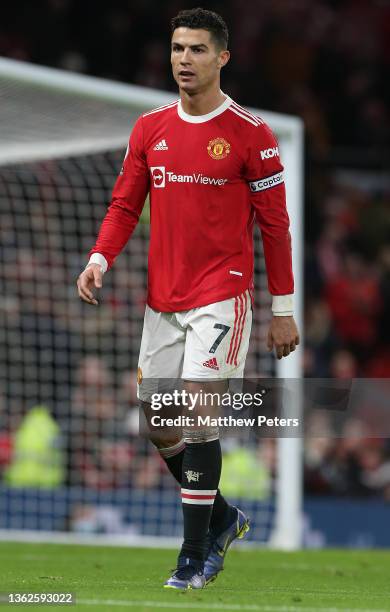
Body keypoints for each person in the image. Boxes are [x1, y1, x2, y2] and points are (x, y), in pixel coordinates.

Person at [77, 7, 299, 590]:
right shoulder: (149, 128)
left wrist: (283, 308)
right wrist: (100, 258)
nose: (184, 59)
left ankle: (194, 555)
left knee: (197, 410)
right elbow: (126, 204)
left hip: (222, 295)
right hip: (163, 301)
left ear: (222, 57)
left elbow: (275, 225)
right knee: (157, 421)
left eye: (198, 49)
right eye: (178, 48)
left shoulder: (252, 134)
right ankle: (223, 517)